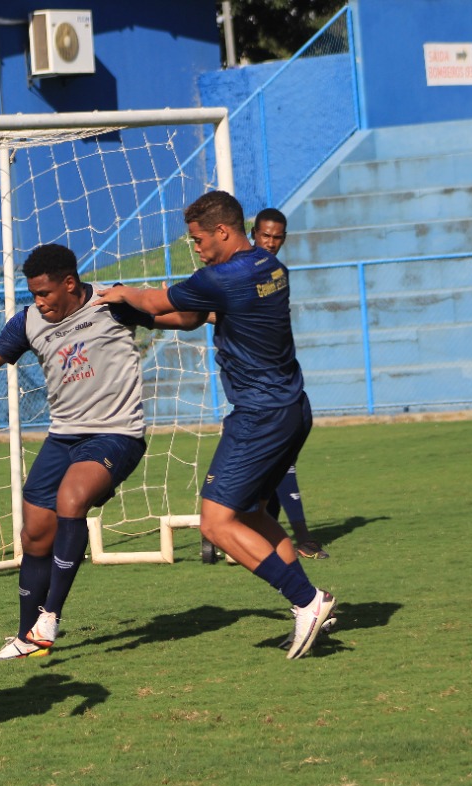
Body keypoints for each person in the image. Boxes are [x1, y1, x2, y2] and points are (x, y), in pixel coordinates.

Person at [95, 191, 335, 660]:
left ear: (222, 231)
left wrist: (124, 296)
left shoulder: (222, 275)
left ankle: (308, 601)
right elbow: (191, 317)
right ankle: (307, 606)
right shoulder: (270, 268)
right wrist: (147, 315)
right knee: (250, 514)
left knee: (215, 522)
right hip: (292, 408)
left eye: (198, 239)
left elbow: (155, 299)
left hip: (259, 415)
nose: (197, 248)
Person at [0, 244, 196, 662]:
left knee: (72, 499)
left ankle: (51, 617)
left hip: (116, 434)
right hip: (62, 438)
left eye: (45, 293)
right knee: (34, 535)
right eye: (33, 294)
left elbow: (186, 319)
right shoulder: (27, 322)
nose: (39, 302)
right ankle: (27, 637)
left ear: (69, 283)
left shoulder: (112, 303)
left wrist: (190, 302)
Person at [251, 208, 328, 560]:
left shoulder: (278, 274)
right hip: (259, 387)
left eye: (277, 237)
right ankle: (298, 537)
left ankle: (283, 532)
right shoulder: (242, 272)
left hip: (279, 382)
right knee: (277, 462)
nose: (271, 242)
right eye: (265, 235)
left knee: (282, 461)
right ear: (253, 234)